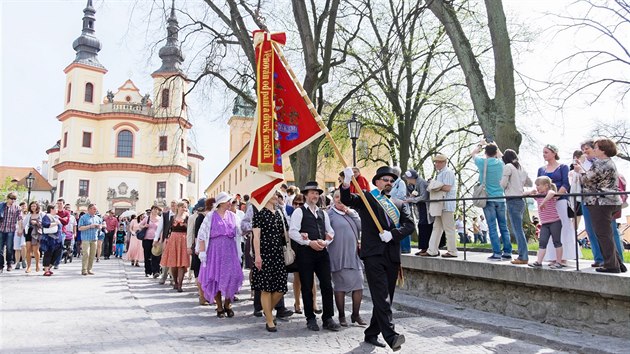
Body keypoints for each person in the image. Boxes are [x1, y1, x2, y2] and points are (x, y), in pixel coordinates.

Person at [341, 166, 413, 351]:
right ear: (377, 182)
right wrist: (347, 182)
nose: (388, 183)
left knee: (385, 297)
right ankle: (391, 336)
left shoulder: (399, 203)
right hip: (373, 254)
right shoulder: (368, 198)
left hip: (392, 255)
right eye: (385, 180)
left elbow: (410, 225)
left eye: (391, 181)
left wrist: (393, 234)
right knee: (381, 297)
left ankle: (371, 333)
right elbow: (347, 199)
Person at [289, 181, 341, 332]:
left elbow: (331, 232)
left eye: (317, 193)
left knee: (326, 285)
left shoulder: (322, 213)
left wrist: (325, 242)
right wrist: (309, 242)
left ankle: (328, 318)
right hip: (306, 253)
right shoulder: (299, 212)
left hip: (322, 253)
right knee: (306, 286)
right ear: (305, 195)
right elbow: (293, 232)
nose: (315, 195)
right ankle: (310, 318)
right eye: (312, 193)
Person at [576, 138, 627, 273]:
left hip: (601, 202)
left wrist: (580, 170)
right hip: (612, 201)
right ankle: (618, 263)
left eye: (597, 148)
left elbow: (587, 179)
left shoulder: (600, 164)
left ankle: (611, 265)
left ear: (603, 150)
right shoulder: (610, 163)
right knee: (607, 234)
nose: (594, 150)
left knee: (603, 234)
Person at [197, 192, 244, 318]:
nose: (231, 203)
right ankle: (219, 306)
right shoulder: (210, 216)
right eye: (229, 201)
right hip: (215, 252)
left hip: (230, 251)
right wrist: (202, 252)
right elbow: (202, 235)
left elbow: (240, 230)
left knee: (232, 277)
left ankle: (228, 304)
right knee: (215, 277)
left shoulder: (234, 216)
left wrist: (249, 228)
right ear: (221, 202)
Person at [251, 192, 289, 332]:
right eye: (273, 194)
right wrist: (258, 256)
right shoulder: (259, 213)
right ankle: (269, 320)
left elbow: (286, 233)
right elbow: (256, 237)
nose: (276, 196)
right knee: (266, 288)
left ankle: (267, 311)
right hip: (264, 254)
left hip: (278, 254)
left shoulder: (279, 213)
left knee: (281, 288)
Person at [327, 190, 366, 327]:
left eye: (341, 197)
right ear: (333, 199)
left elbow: (362, 227)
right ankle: (342, 315)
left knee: (359, 285)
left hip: (353, 255)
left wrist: (350, 212)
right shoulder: (329, 214)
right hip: (338, 255)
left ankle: (356, 314)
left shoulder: (352, 213)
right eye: (336, 197)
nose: (339, 199)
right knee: (340, 287)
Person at [537, 144, 580, 265]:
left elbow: (566, 184)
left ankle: (563, 256)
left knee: (563, 227)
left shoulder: (563, 167)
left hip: (559, 200)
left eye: (546, 152)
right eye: (543, 152)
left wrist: (555, 196)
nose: (544, 154)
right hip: (545, 202)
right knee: (548, 228)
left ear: (554, 153)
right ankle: (551, 257)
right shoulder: (541, 169)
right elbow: (538, 184)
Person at [471, 141, 512, 261]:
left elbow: (472, 153)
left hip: (487, 199)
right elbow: (501, 155)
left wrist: (480, 144)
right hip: (500, 198)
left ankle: (497, 253)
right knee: (504, 226)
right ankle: (508, 252)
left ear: (485, 152)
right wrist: (495, 145)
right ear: (495, 152)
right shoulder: (501, 163)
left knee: (492, 227)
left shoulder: (481, 162)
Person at [288, 193, 321, 315]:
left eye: (300, 203)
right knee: (297, 277)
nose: (297, 205)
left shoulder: (309, 212)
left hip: (309, 245)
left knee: (311, 276)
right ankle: (297, 302)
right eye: (295, 203)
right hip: (296, 246)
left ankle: (314, 302)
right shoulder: (290, 215)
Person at [421, 154, 458, 258]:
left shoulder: (448, 172)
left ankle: (452, 251)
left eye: (438, 162)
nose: (436, 164)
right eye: (435, 162)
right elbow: (442, 187)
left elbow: (447, 188)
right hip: (439, 204)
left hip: (446, 204)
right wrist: (435, 185)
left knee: (448, 228)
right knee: (436, 227)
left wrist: (434, 186)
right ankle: (432, 250)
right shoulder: (440, 173)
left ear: (444, 163)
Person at [500, 149, 533, 265]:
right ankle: (523, 255)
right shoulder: (521, 168)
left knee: (517, 230)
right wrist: (519, 183)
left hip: (512, 200)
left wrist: (509, 183)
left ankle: (523, 256)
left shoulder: (508, 167)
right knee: (519, 229)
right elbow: (530, 183)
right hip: (521, 200)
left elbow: (502, 184)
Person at [528, 177, 564, 269]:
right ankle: (538, 262)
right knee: (542, 242)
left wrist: (544, 202)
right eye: (536, 185)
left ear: (546, 186)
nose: (537, 187)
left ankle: (559, 262)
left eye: (538, 185)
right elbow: (523, 194)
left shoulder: (549, 194)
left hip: (555, 222)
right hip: (545, 223)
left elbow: (552, 192)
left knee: (557, 242)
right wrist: (530, 192)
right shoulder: (538, 195)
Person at [160, 201, 191, 292]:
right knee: (173, 263)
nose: (184, 209)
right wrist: (165, 240)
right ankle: (176, 282)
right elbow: (168, 230)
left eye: (185, 207)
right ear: (178, 207)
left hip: (183, 239)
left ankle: (180, 285)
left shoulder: (188, 218)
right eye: (182, 207)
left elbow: (190, 230)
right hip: (173, 240)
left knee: (182, 263)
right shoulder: (172, 217)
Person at [404, 169, 433, 255]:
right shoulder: (417, 183)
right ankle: (423, 247)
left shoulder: (421, 183)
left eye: (407, 178)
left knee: (424, 226)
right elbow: (417, 193)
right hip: (421, 208)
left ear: (411, 178)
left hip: (425, 208)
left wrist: (412, 199)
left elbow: (424, 197)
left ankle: (426, 247)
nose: (407, 180)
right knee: (421, 226)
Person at [191, 198, 214, 305]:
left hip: (210, 249)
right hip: (201, 249)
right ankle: (202, 296)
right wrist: (198, 249)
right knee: (201, 273)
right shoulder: (201, 217)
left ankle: (209, 295)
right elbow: (197, 235)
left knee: (209, 273)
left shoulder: (213, 216)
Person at [138, 206, 163, 278]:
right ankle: (148, 271)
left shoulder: (160, 219)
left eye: (157, 210)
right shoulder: (147, 218)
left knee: (156, 255)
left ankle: (156, 271)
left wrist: (161, 239)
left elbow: (162, 230)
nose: (155, 211)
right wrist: (144, 226)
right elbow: (140, 225)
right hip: (147, 239)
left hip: (156, 239)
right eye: (154, 209)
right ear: (151, 210)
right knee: (147, 255)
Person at [78, 204, 103, 275]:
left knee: (92, 254)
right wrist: (89, 226)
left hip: (94, 238)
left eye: (96, 209)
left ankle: (90, 269)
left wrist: (99, 227)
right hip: (86, 238)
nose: (95, 210)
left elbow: (101, 225)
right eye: (94, 209)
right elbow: (80, 228)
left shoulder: (97, 218)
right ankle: (84, 269)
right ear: (89, 209)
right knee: (86, 253)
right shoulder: (83, 217)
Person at [0, 192, 22, 272]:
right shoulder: (1, 206)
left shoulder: (17, 208)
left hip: (10, 230)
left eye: (14, 199)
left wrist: (20, 228)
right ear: (8, 198)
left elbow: (19, 219)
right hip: (1, 229)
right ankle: (1, 265)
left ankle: (9, 263)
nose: (13, 200)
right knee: (0, 249)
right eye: (11, 199)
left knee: (9, 248)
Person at [158, 200, 178, 285]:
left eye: (175, 205)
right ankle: (164, 275)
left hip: (177, 240)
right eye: (172, 205)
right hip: (167, 239)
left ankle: (173, 278)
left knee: (175, 259)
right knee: (166, 258)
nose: (173, 206)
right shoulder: (165, 215)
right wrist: (157, 239)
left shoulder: (181, 215)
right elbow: (160, 227)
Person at [40, 204, 62, 276]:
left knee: (57, 254)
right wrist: (55, 223)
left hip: (57, 240)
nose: (57, 210)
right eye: (55, 209)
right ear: (51, 209)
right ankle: (46, 270)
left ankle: (49, 267)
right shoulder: (47, 216)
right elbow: (45, 224)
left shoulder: (56, 217)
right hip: (49, 239)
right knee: (48, 254)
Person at [23, 201, 43, 273]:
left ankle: (37, 264)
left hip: (37, 232)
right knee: (28, 249)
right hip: (29, 231)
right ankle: (29, 266)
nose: (33, 208)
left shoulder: (41, 214)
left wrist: (37, 223)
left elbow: (44, 223)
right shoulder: (29, 215)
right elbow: (24, 223)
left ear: (37, 207)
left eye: (34, 206)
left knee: (35, 250)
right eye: (32, 206)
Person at [13, 201, 28, 270]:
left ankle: (23, 260)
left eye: (25, 206)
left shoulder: (28, 214)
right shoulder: (16, 214)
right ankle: (17, 262)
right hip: (16, 231)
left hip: (25, 232)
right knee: (17, 248)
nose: (23, 207)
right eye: (22, 206)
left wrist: (22, 229)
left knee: (23, 245)